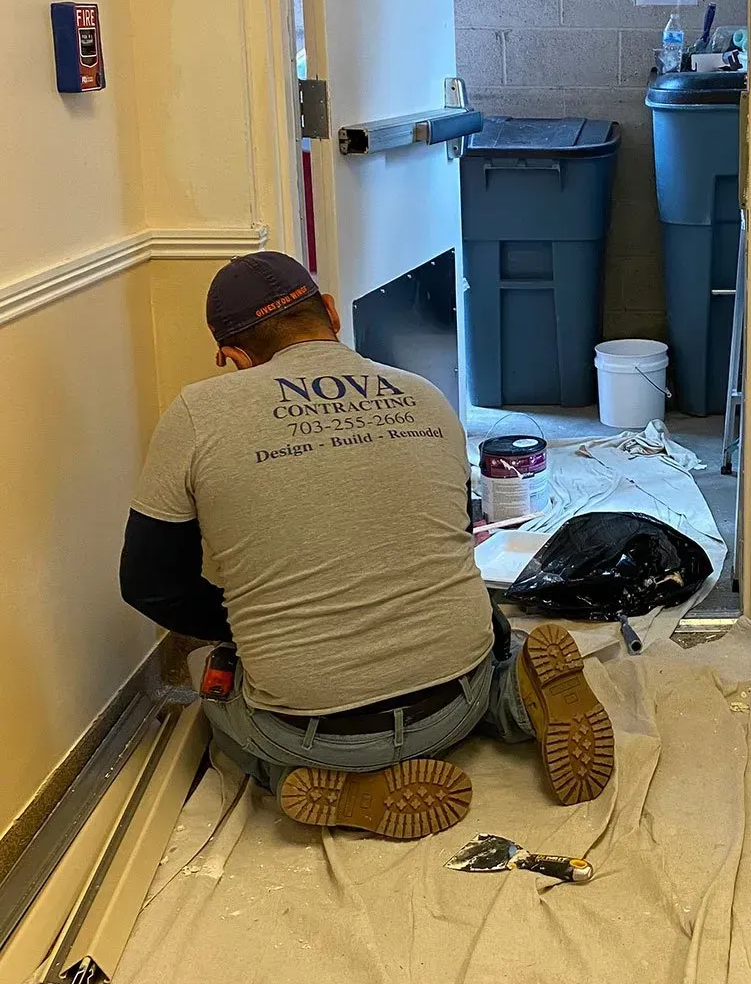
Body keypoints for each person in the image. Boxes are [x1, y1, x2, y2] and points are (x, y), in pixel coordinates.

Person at [119, 251, 614, 838]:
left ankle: (307, 778)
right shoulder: (426, 396)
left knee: (215, 685)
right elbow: (453, 534)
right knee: (492, 643)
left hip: (312, 730)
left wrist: (254, 624)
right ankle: (511, 700)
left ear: (233, 356)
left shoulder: (197, 415)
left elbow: (147, 583)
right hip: (454, 700)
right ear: (330, 312)